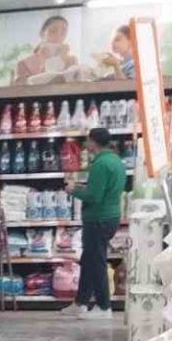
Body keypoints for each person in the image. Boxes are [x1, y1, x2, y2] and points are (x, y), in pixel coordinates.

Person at [67, 126, 124, 318]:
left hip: (98, 218)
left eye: (88, 140)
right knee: (89, 260)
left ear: (93, 142)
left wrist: (73, 190)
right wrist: (83, 187)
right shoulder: (116, 161)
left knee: (97, 262)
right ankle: (81, 302)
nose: (86, 144)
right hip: (111, 216)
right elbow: (103, 189)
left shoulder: (100, 164)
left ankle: (104, 307)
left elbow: (94, 196)